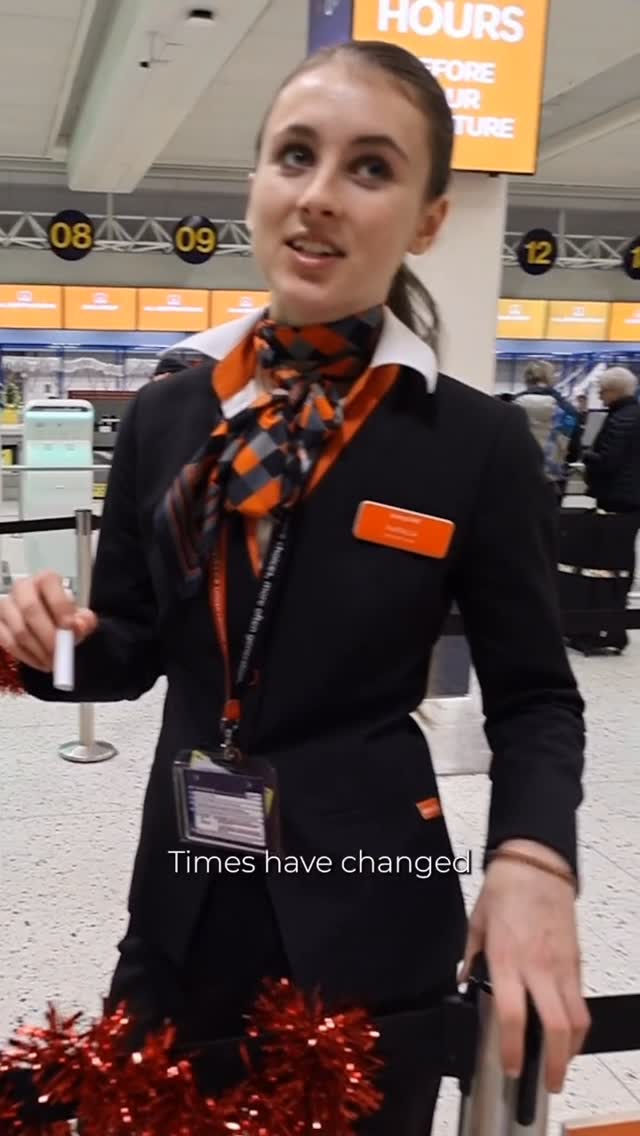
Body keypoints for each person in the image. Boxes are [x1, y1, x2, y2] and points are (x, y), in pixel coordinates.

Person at [0, 40, 589, 1135]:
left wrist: (531, 857)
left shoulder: (471, 444)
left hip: (370, 916)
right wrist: (51, 643)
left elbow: (538, 698)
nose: (319, 194)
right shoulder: (173, 414)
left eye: (370, 168)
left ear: (426, 219)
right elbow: (127, 647)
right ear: (256, 184)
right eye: (295, 155)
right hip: (182, 904)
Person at [513, 360, 581, 502]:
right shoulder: (568, 410)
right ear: (551, 379)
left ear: (526, 378)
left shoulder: (511, 406)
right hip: (552, 482)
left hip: (517, 479)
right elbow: (574, 452)